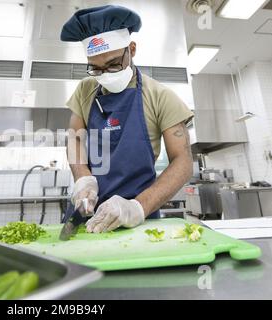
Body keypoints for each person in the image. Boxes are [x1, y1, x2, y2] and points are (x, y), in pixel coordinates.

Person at [61, 5, 194, 233]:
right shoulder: (85, 90)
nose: (106, 75)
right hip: (87, 213)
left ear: (131, 49)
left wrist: (137, 208)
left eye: (113, 64)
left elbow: (183, 161)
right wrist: (83, 179)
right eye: (96, 68)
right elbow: (75, 138)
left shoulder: (159, 96)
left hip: (139, 217)